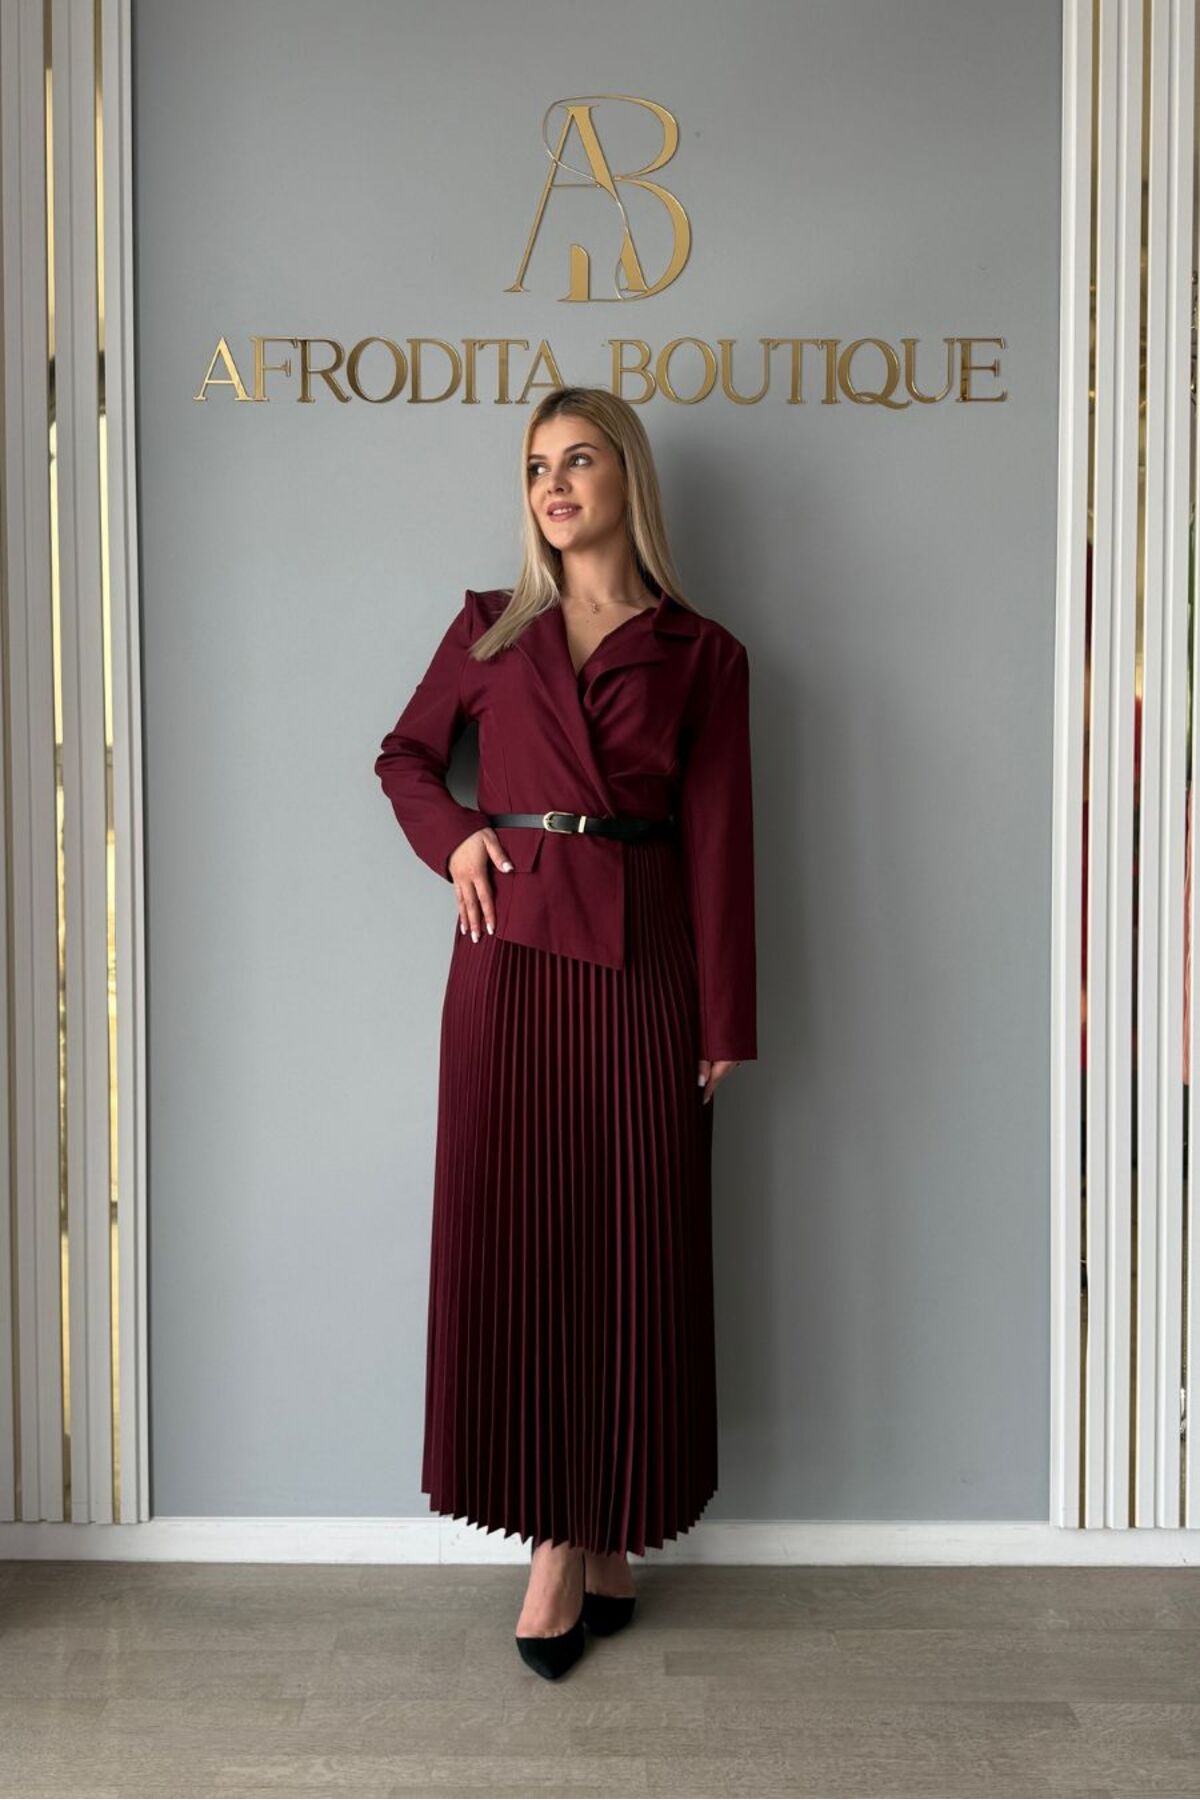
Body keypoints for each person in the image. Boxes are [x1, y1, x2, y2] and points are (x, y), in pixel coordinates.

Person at [374, 385, 758, 1679]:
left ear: (625, 479)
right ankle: (558, 1539)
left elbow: (720, 842)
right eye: (538, 464)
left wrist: (724, 1015)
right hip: (513, 963)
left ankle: (612, 1523)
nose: (554, 483)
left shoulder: (702, 652)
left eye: (580, 459)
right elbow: (404, 758)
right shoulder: (489, 628)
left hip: (647, 968)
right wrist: (457, 841)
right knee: (525, 1238)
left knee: (636, 1247)